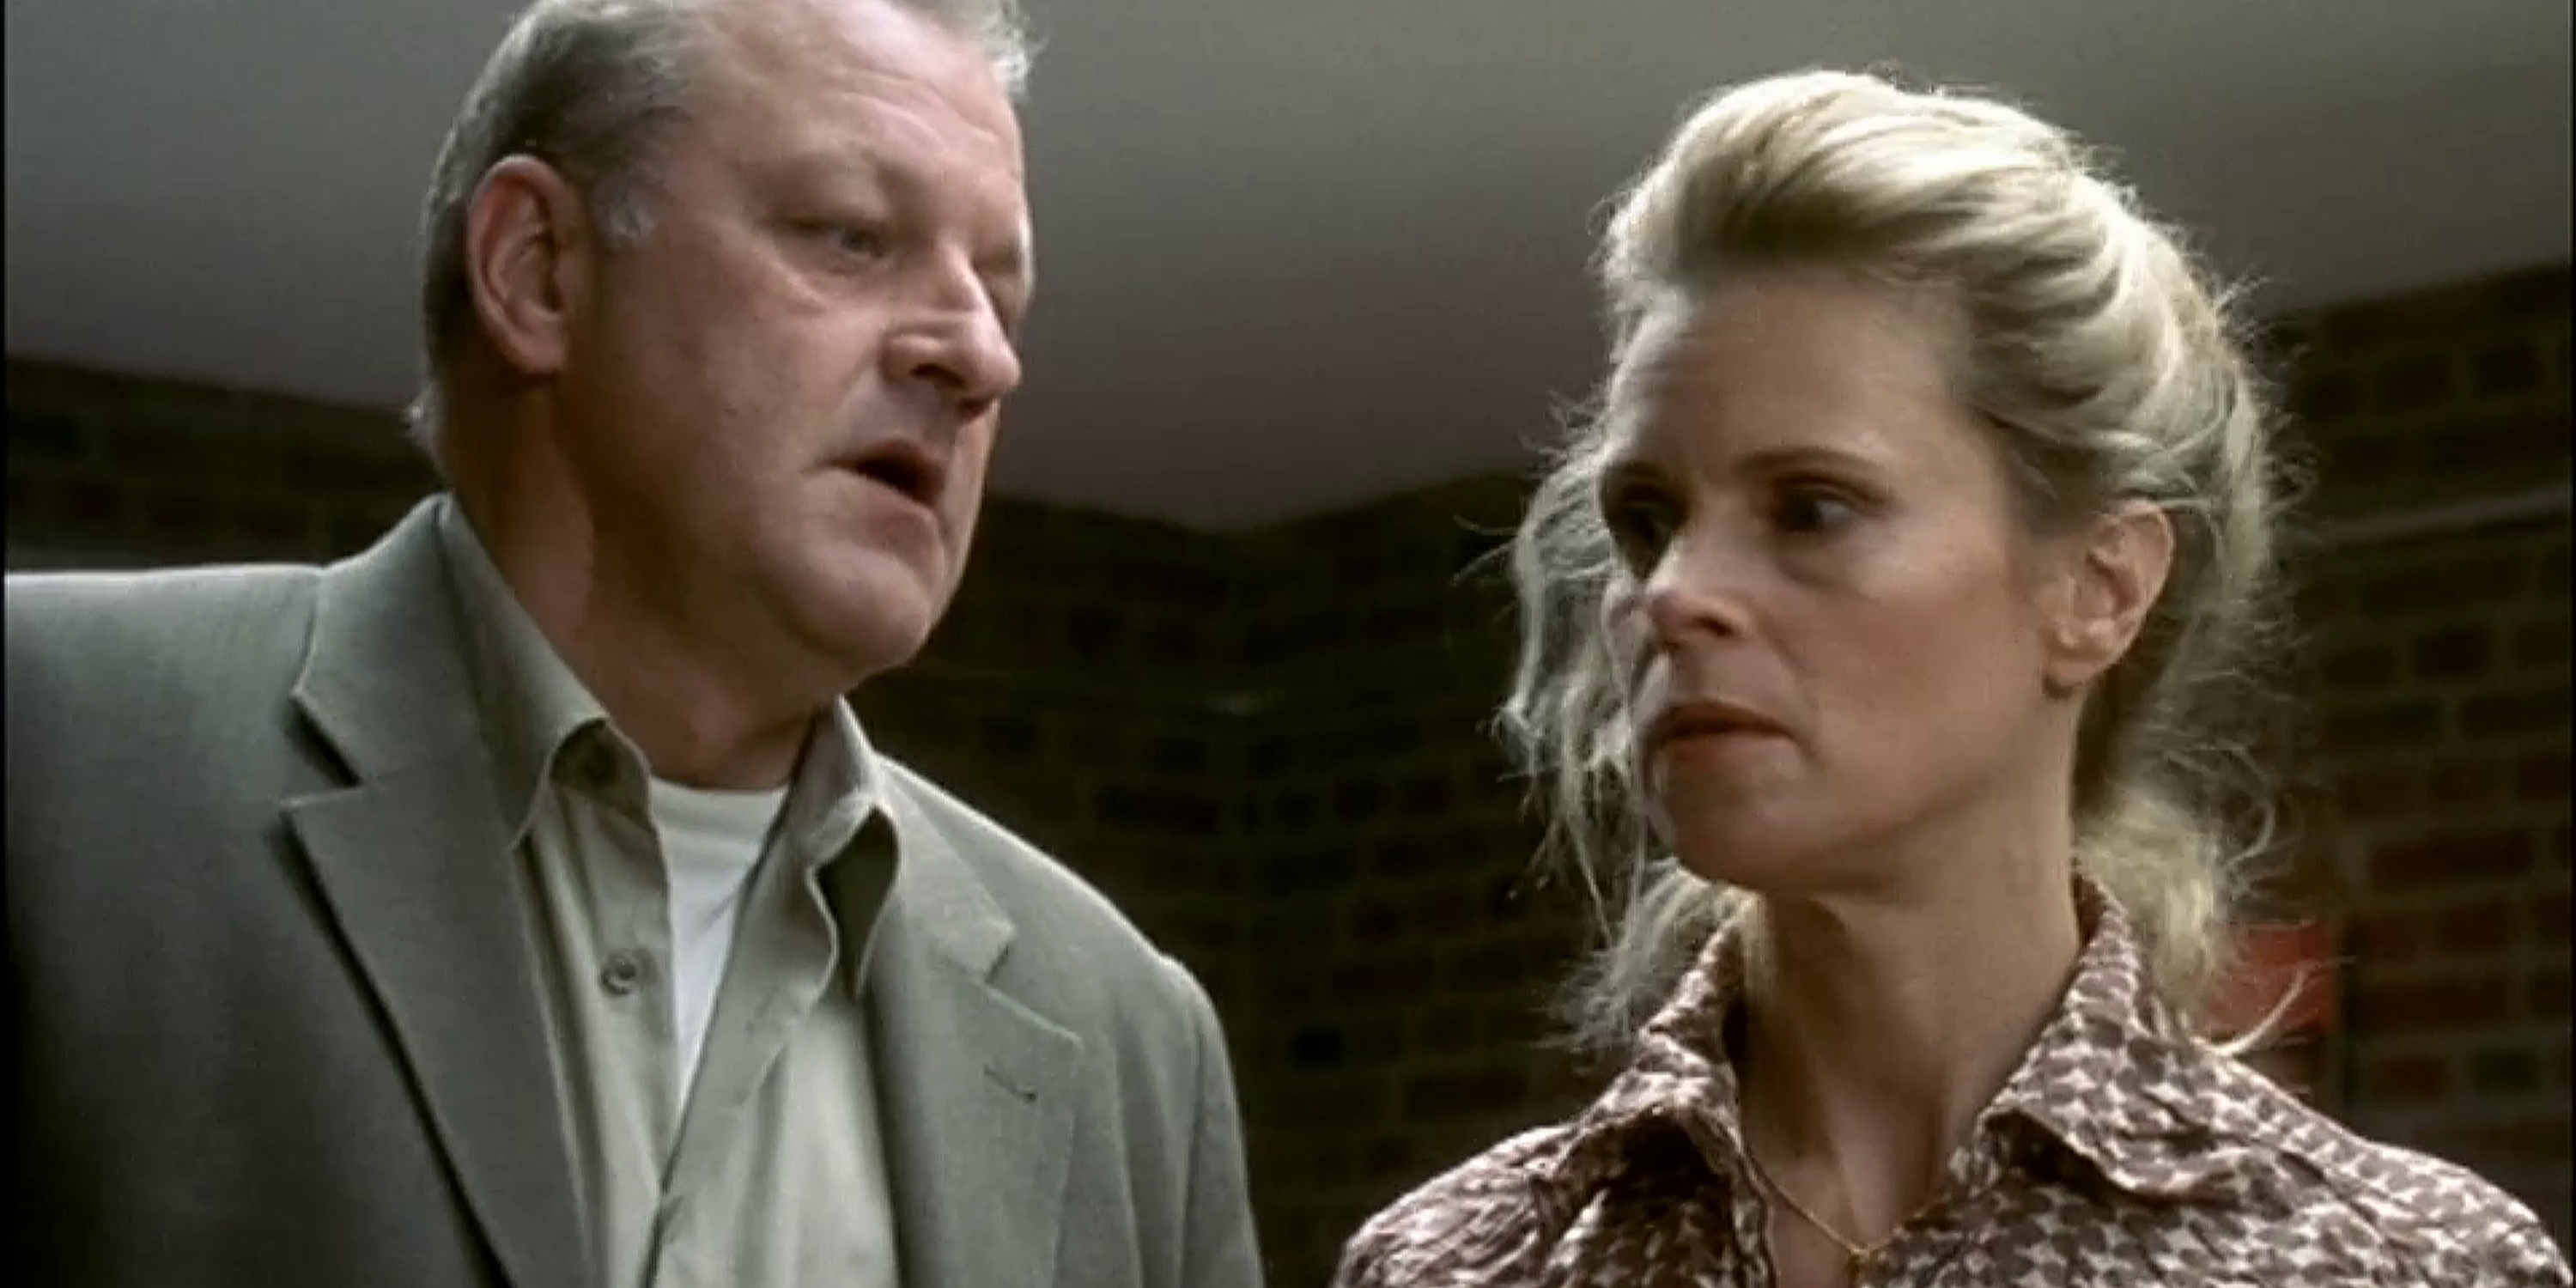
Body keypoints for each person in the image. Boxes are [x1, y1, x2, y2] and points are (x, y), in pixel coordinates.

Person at [6, 2, 1264, 1285]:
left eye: (1002, 296)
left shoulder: (1129, 1040)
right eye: (852, 236)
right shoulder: (57, 758)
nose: (980, 356)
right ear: (538, 270)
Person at [1334, 70, 2570, 1288]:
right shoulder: (1461, 1264)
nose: (1672, 595)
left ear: (2098, 588)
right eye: (1648, 522)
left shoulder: (2395, 1264)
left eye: (1812, 509)